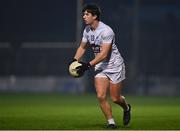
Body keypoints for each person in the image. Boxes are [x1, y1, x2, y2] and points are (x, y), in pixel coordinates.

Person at [69, 4, 131, 129]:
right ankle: (111, 122)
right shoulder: (87, 30)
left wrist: (87, 65)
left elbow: (103, 54)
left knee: (115, 98)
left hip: (114, 65)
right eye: (83, 14)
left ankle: (126, 107)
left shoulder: (106, 31)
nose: (84, 16)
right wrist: (74, 60)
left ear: (95, 16)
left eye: (87, 14)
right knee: (101, 96)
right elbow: (82, 47)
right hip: (100, 66)